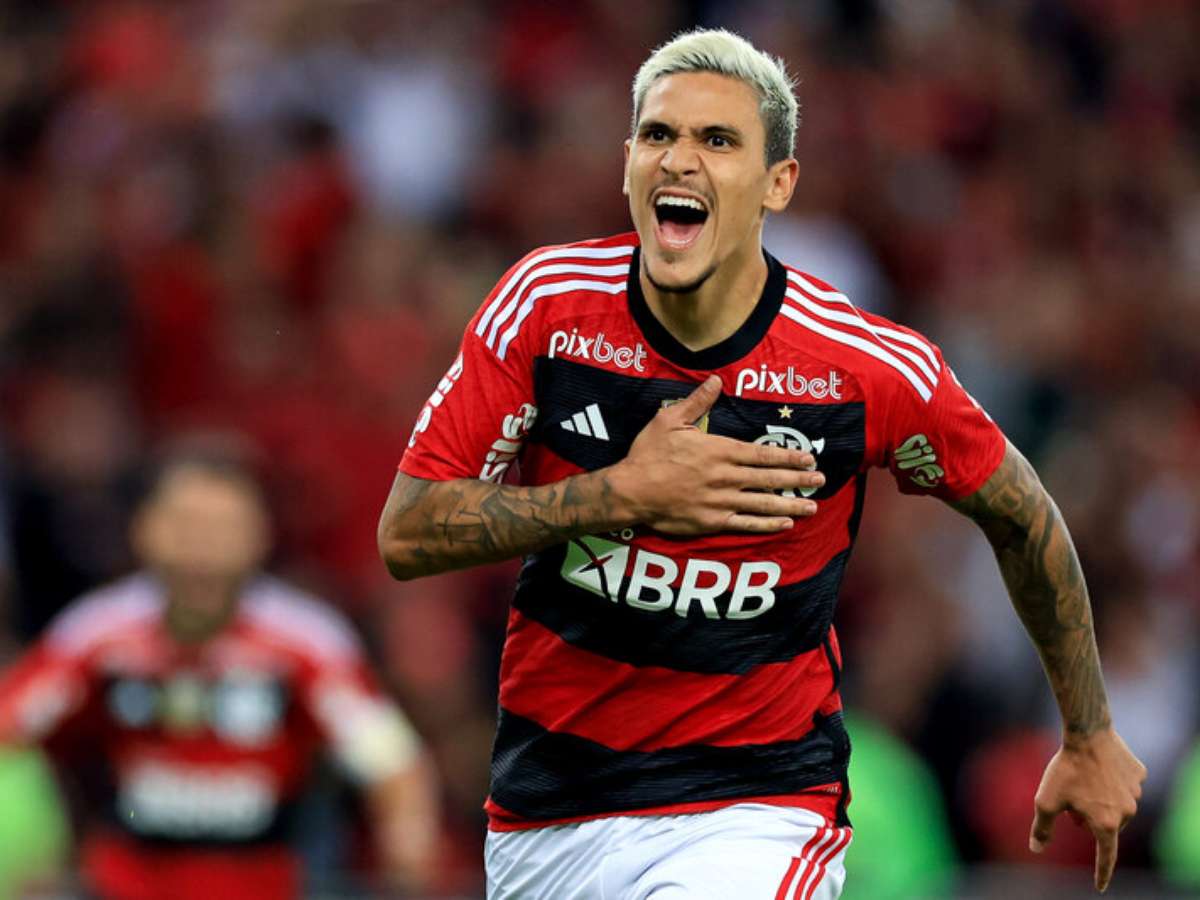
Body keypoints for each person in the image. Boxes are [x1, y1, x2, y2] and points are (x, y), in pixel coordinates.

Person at [377, 28, 1145, 900]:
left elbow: (1020, 512)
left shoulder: (862, 366)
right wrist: (616, 495)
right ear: (628, 163)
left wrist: (1088, 731)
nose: (680, 160)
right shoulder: (546, 308)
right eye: (659, 135)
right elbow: (408, 532)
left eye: (718, 140)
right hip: (547, 813)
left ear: (779, 182)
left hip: (754, 808)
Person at [0, 449, 439, 900]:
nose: (203, 550)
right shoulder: (97, 635)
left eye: (223, 528)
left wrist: (408, 863)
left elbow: (396, 769)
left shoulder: (307, 642)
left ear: (261, 536)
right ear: (144, 530)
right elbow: (7, 732)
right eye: (187, 525)